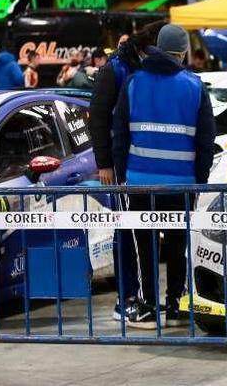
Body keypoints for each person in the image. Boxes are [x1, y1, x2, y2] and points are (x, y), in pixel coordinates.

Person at [112, 24, 215, 329]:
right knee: (177, 244)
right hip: (181, 184)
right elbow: (205, 142)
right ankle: (174, 306)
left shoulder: (133, 83)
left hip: (140, 182)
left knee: (143, 244)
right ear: (183, 52)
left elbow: (120, 135)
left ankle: (146, 304)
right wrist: (199, 182)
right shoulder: (194, 87)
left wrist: (122, 175)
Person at [89, 20, 166, 320]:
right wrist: (104, 163)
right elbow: (97, 116)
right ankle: (128, 299)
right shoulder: (116, 69)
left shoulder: (146, 68)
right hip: (121, 165)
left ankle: (148, 297)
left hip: (146, 165)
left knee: (147, 234)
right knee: (129, 233)